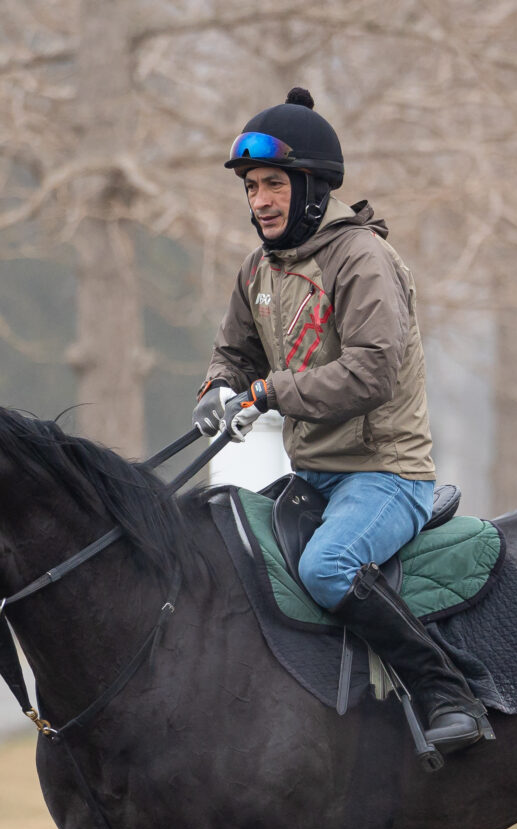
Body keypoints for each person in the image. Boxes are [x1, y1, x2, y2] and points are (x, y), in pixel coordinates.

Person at [194, 88, 489, 756]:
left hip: (385, 475)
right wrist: (219, 388)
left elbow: (371, 373)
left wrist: (270, 393)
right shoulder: (258, 270)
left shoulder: (363, 261)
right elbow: (233, 354)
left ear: (313, 190)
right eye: (251, 188)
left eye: (272, 185)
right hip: (314, 476)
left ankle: (449, 692)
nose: (259, 201)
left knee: (329, 569)